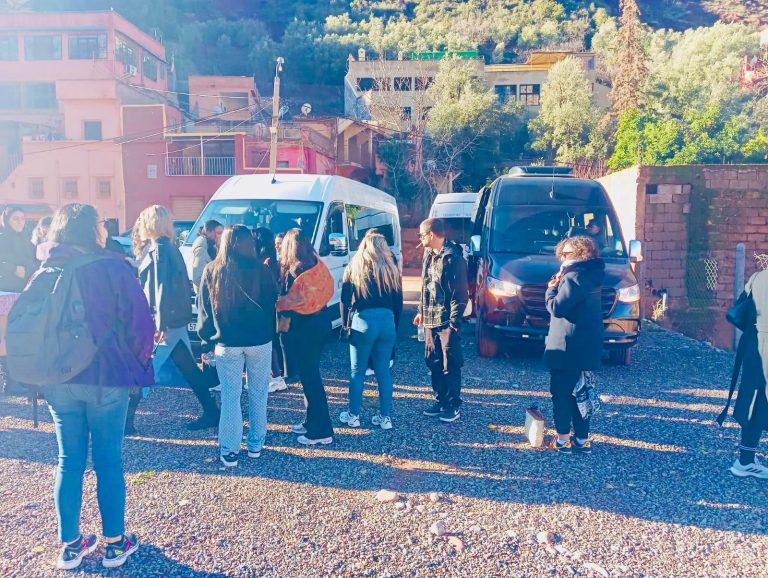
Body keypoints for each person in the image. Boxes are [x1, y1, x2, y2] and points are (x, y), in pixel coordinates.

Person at [20, 203, 154, 570]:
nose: (105, 228)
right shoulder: (113, 267)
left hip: (58, 378)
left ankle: (70, 544)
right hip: (105, 375)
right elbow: (140, 323)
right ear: (90, 229)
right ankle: (115, 543)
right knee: (109, 460)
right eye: (100, 223)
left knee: (68, 460)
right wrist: (139, 364)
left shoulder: (47, 268)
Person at [198, 225, 277, 467]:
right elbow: (272, 302)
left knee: (230, 396)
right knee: (259, 392)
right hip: (260, 340)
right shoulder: (262, 271)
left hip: (227, 342)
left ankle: (230, 449)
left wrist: (206, 341)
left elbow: (205, 311)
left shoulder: (213, 270)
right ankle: (256, 444)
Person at [137, 205, 219, 430]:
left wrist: (159, 323)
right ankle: (212, 411)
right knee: (189, 369)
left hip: (165, 322)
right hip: (172, 320)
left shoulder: (160, 249)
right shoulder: (167, 247)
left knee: (145, 368)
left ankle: (124, 420)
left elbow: (161, 288)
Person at [544, 236, 604, 454]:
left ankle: (562, 440)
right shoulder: (594, 275)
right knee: (581, 391)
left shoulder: (574, 276)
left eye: (566, 254)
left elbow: (557, 308)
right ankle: (582, 439)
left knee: (561, 392)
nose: (561, 258)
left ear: (579, 254)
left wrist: (551, 289)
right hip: (586, 345)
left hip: (567, 346)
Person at [277, 228, 335, 445]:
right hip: (322, 323)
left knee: (311, 380)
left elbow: (286, 303)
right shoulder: (316, 263)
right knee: (310, 376)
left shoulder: (295, 270)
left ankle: (321, 431)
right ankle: (311, 422)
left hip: (304, 329)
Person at [339, 232, 402, 430]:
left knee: (357, 372)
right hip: (387, 321)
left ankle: (354, 416)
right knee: (383, 372)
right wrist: (395, 326)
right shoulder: (392, 269)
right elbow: (398, 302)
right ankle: (385, 418)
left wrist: (345, 325)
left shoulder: (354, 266)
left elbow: (344, 300)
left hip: (363, 321)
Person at [413, 218, 468, 423]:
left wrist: (454, 323)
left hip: (446, 321)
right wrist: (420, 310)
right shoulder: (428, 254)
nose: (419, 239)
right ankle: (441, 400)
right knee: (433, 361)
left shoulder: (453, 258)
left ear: (431, 234)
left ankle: (453, 404)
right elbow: (425, 285)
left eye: (421, 235)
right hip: (430, 318)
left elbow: (460, 294)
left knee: (450, 363)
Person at [727, 269, 768, 479]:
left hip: (753, 344)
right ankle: (745, 461)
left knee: (754, 400)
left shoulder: (757, 277)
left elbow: (740, 309)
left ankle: (746, 459)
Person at [0, 206, 37, 392]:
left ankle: (20, 377)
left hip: (23, 293)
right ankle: (8, 379)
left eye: (22, 218)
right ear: (6, 220)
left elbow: (36, 263)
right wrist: (12, 268)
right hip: (4, 292)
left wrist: (26, 268)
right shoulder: (2, 239)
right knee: (3, 336)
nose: (20, 222)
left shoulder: (27, 242)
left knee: (19, 335)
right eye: (15, 218)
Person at [254, 227, 287, 393]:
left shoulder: (266, 262)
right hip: (271, 308)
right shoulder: (271, 260)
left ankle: (276, 376)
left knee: (269, 342)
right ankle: (274, 375)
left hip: (267, 308)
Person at [191, 220, 223, 293]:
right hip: (206, 295)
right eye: (218, 233)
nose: (221, 236)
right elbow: (198, 278)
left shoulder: (212, 246)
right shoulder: (201, 249)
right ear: (208, 232)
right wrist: (216, 290)